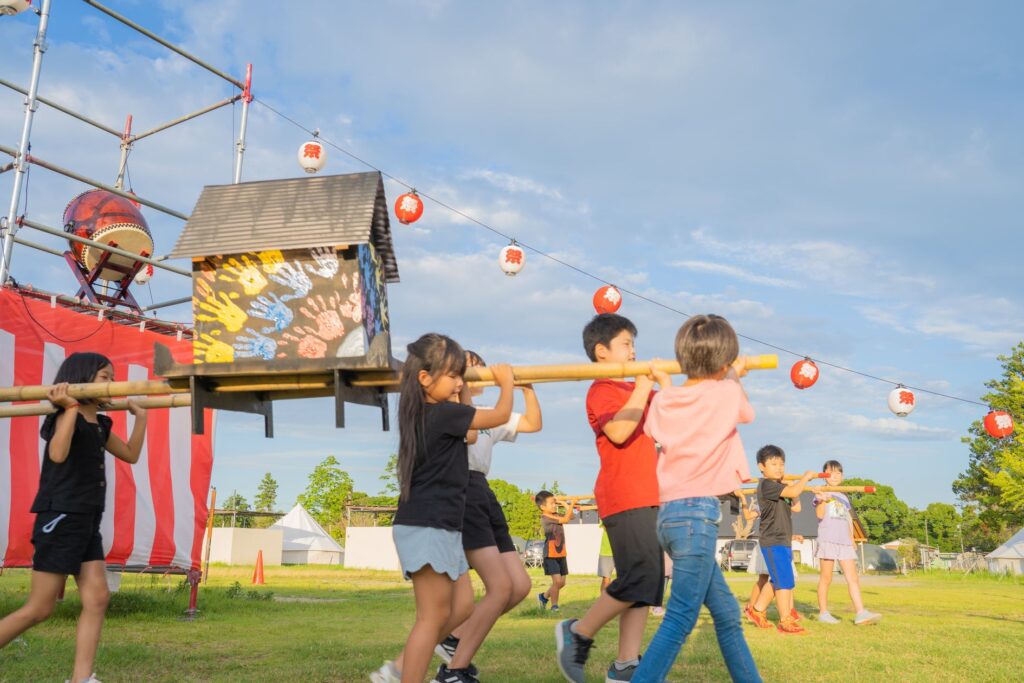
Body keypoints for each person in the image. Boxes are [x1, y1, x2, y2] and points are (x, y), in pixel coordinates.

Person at [0, 352, 148, 683]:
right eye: (104, 377)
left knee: (97, 597)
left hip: (87, 520)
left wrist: (141, 419)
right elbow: (57, 453)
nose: (111, 383)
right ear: (81, 378)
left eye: (112, 376)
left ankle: (81, 679)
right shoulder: (62, 415)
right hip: (61, 516)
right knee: (40, 608)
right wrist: (68, 407)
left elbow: (131, 455)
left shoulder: (101, 422)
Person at [630, 314, 761, 683]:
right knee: (680, 617)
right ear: (724, 362)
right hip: (696, 516)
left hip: (669, 516)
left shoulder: (665, 399)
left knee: (726, 615)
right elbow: (745, 411)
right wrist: (738, 372)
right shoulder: (727, 391)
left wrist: (664, 381)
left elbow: (662, 423)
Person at [385, 334, 514, 683]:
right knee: (431, 618)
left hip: (441, 526)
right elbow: (500, 414)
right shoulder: (441, 414)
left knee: (461, 608)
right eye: (453, 376)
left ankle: (400, 670)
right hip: (428, 526)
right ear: (424, 378)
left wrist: (464, 388)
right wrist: (506, 383)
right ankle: (401, 675)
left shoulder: (432, 412)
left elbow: (471, 435)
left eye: (462, 375)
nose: (460, 383)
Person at [555, 313, 665, 683]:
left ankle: (625, 665)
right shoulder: (602, 389)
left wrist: (659, 386)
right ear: (602, 352)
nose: (633, 351)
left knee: (648, 585)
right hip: (623, 493)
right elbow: (618, 432)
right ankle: (579, 632)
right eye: (626, 345)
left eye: (634, 344)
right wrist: (641, 386)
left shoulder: (641, 391)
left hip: (649, 492)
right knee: (640, 575)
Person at [429, 351, 542, 676]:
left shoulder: (489, 413)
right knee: (499, 587)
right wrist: (504, 388)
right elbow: (471, 434)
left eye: (478, 365)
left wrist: (526, 387)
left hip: (484, 489)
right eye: (470, 367)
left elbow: (533, 423)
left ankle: (456, 638)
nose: (477, 372)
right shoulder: (447, 412)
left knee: (518, 586)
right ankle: (454, 666)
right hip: (462, 486)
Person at [747, 445, 815, 635]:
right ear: (761, 466)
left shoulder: (780, 487)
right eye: (773, 464)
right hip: (772, 538)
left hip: (783, 539)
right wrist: (804, 479)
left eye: (781, 464)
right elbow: (793, 493)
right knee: (784, 580)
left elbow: (796, 506)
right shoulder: (766, 485)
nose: (778, 467)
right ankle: (785, 620)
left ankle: (757, 610)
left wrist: (793, 486)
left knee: (780, 578)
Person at [814, 460, 881, 626]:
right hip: (828, 540)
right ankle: (823, 612)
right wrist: (822, 500)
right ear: (824, 476)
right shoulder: (820, 492)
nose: (834, 476)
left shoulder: (844, 497)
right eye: (830, 473)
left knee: (853, 578)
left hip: (844, 542)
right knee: (826, 578)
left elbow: (848, 519)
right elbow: (820, 515)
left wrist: (852, 539)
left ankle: (860, 612)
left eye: (838, 473)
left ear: (842, 476)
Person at [537, 491, 575, 612]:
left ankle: (543, 596)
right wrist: (570, 503)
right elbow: (565, 519)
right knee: (557, 581)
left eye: (555, 503)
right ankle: (554, 606)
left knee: (561, 583)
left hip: (561, 552)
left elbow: (572, 516)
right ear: (543, 507)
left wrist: (564, 504)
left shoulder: (556, 514)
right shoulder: (545, 517)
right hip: (551, 553)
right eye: (551, 503)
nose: (554, 505)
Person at [597, 525, 614, 593]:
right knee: (606, 580)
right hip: (607, 552)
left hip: (621, 550)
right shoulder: (606, 514)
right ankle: (604, 600)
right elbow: (607, 526)